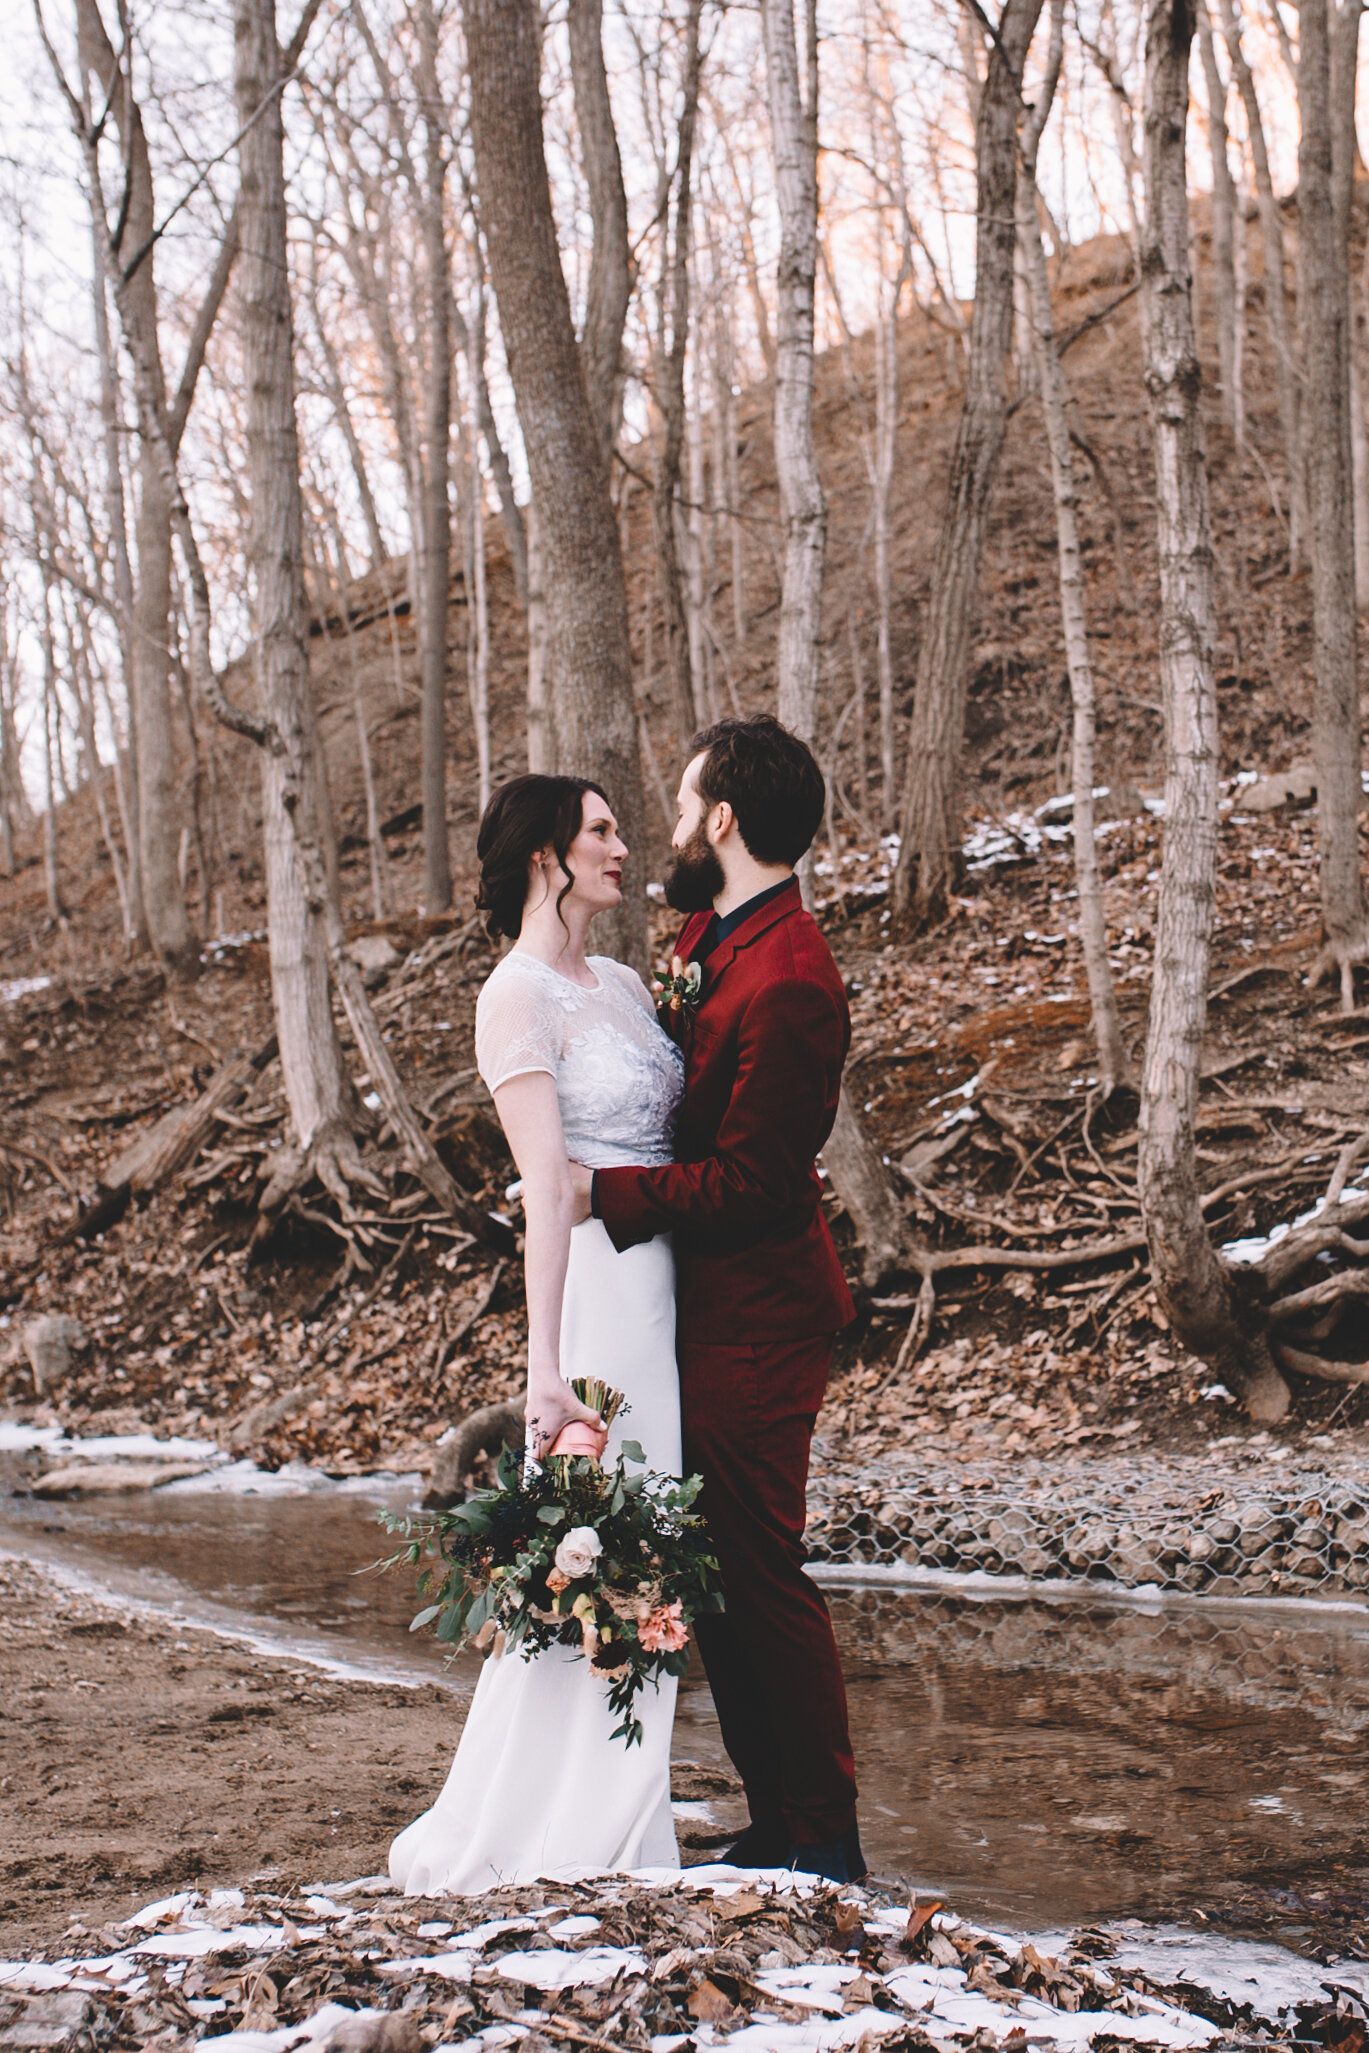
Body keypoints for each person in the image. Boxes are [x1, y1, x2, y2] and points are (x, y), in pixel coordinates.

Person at [573, 714, 864, 1885]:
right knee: (720, 1579)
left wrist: (605, 1189)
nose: (674, 827)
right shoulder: (712, 932)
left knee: (762, 1572)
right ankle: (774, 1818)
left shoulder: (793, 977)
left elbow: (750, 1185)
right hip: (689, 1314)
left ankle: (827, 1837)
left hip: (760, 1318)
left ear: (726, 817)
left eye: (687, 805)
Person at [389, 774, 685, 1892]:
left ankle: (632, 1800)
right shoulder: (512, 997)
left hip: (669, 1285)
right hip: (599, 1296)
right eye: (601, 831)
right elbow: (547, 1191)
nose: (621, 844)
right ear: (545, 858)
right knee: (603, 1547)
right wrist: (545, 1372)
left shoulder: (617, 981)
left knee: (654, 1536)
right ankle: (567, 1820)